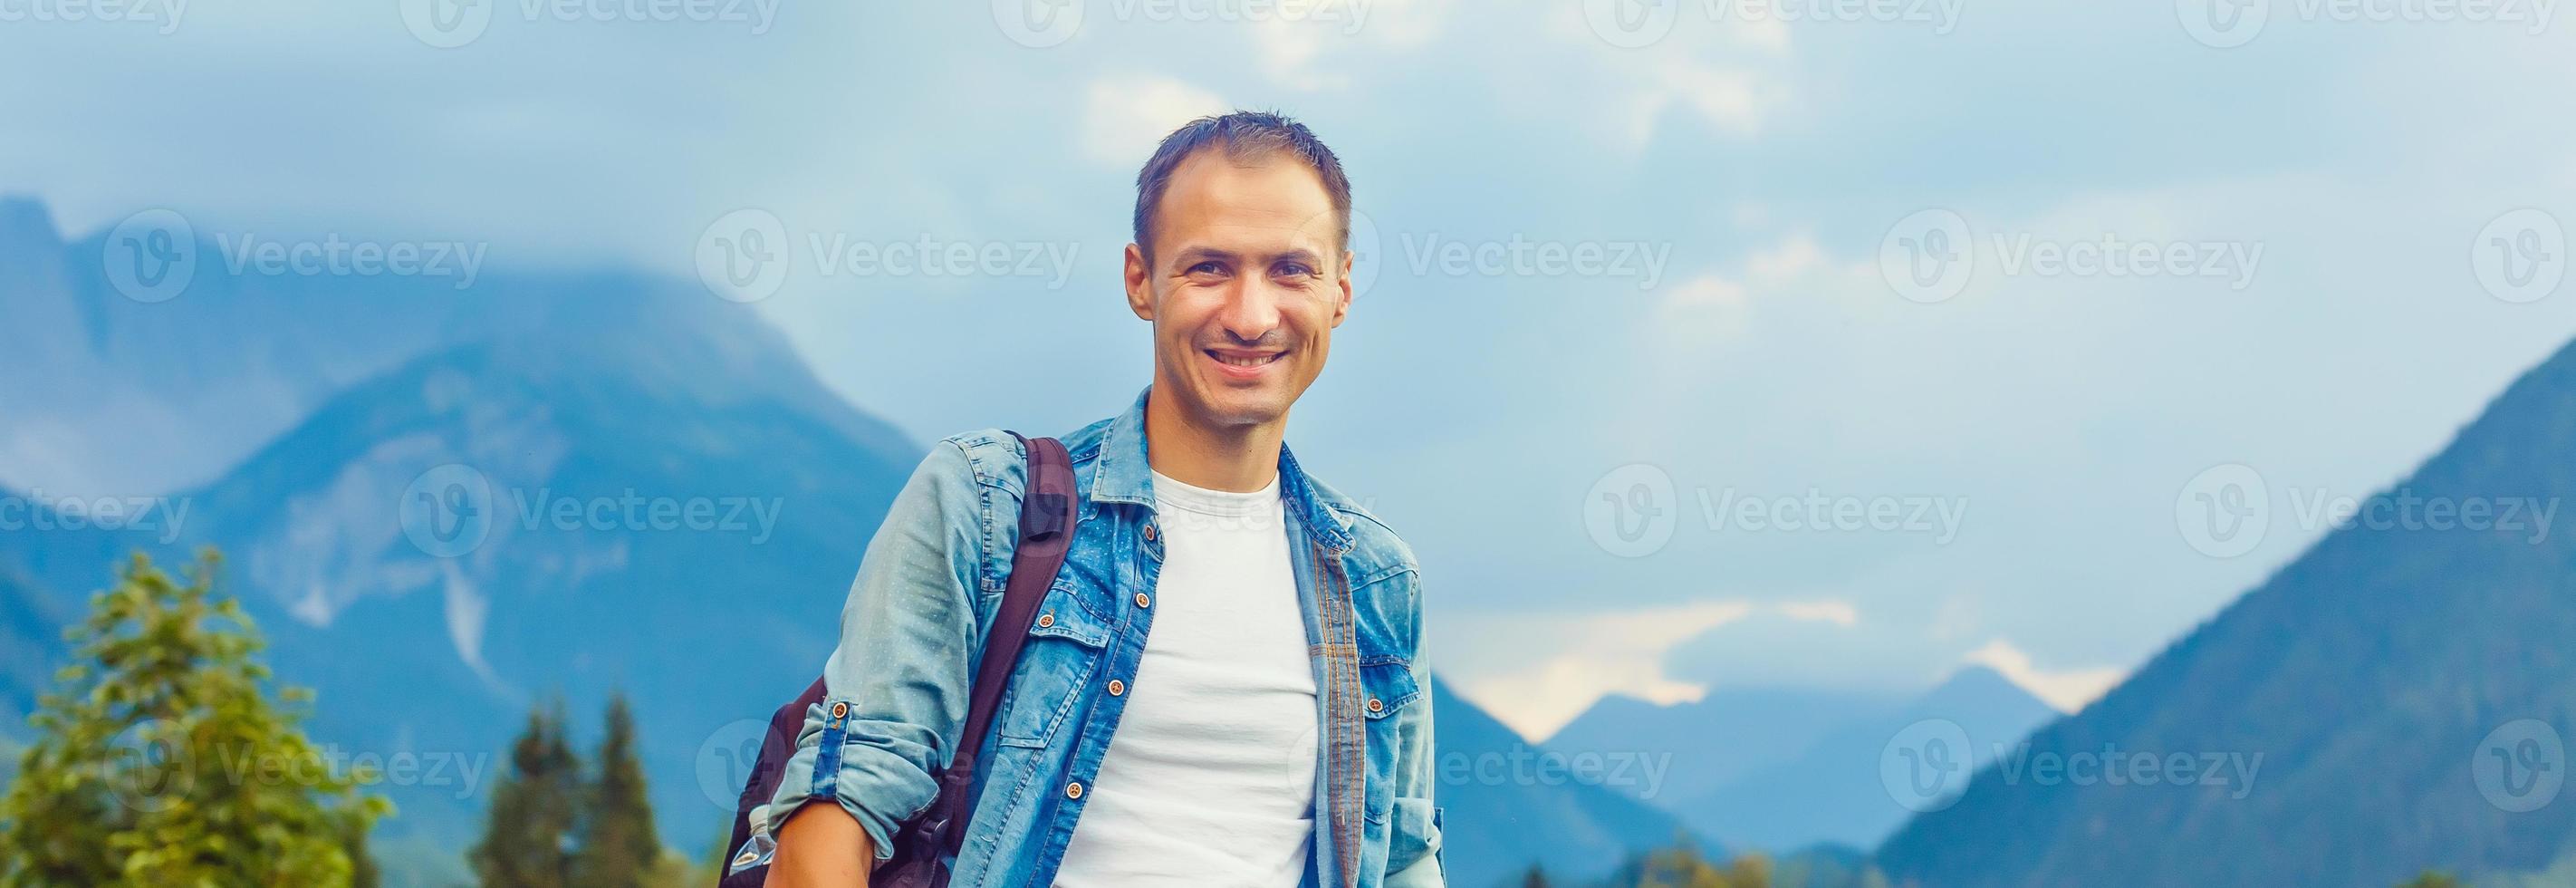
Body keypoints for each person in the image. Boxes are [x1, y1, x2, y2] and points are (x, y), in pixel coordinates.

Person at [748, 110, 1442, 887]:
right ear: (1140, 281)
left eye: (1291, 270)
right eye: (1209, 268)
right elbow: (840, 807)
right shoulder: (987, 504)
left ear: (1340, 289)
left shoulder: (1376, 578)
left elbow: (1403, 859)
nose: (1251, 316)